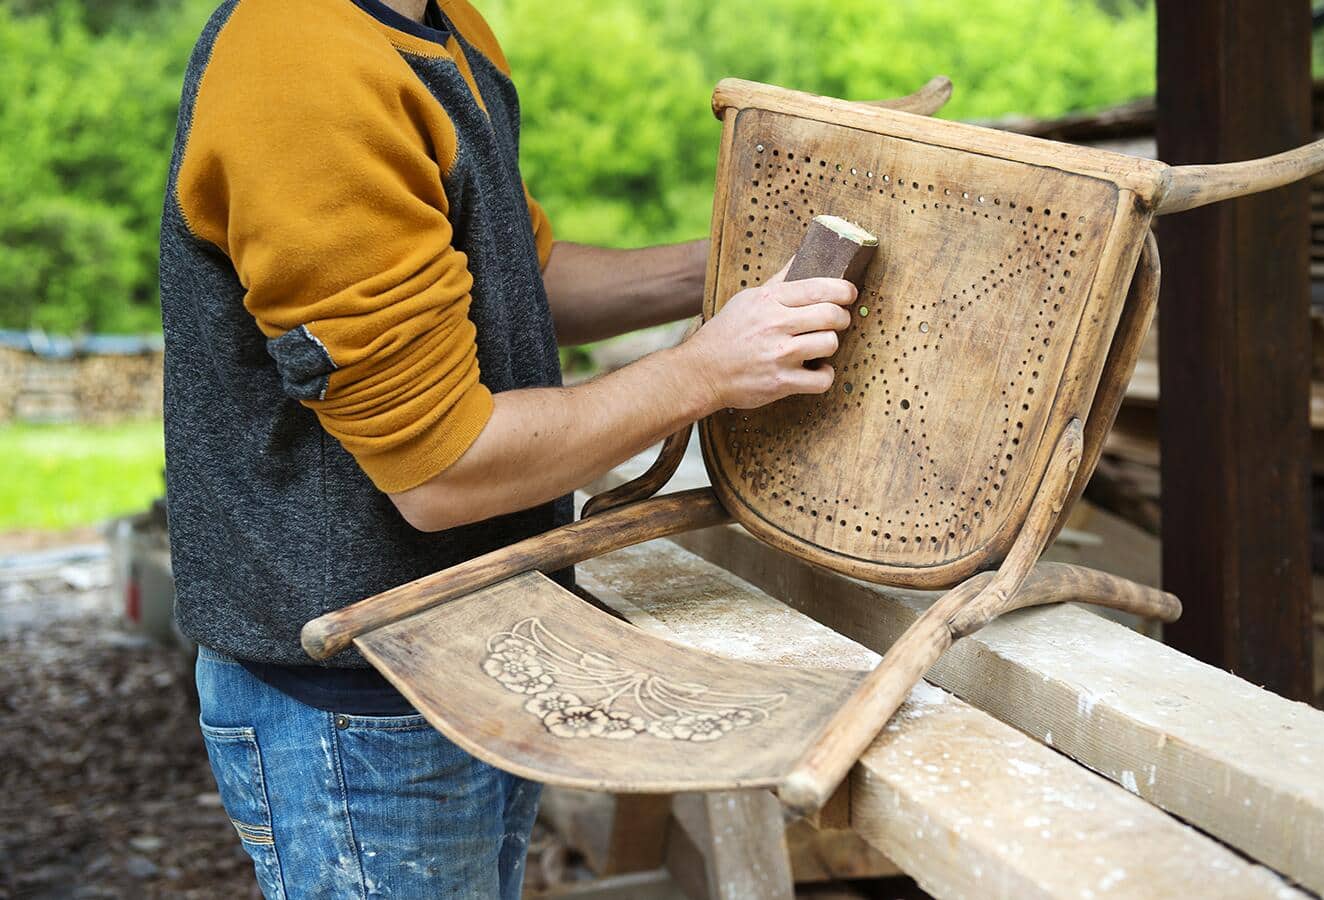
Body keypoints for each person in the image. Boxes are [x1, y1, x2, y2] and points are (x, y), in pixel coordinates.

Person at [158, 0, 856, 895]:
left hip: (475, 650)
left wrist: (727, 273)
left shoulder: (446, 31)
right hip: (362, 701)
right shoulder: (301, 70)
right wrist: (704, 372)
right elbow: (442, 470)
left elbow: (513, 284)